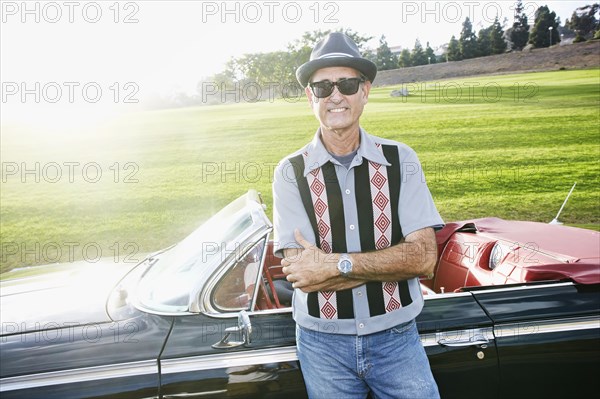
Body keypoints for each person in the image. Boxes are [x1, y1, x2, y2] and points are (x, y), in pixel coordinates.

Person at [272, 32, 443, 399]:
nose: (335, 95)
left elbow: (424, 258)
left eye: (347, 84)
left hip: (396, 339)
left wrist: (336, 265)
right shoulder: (289, 171)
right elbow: (304, 274)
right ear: (309, 97)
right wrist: (390, 262)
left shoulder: (402, 160)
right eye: (323, 87)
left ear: (364, 92)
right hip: (323, 345)